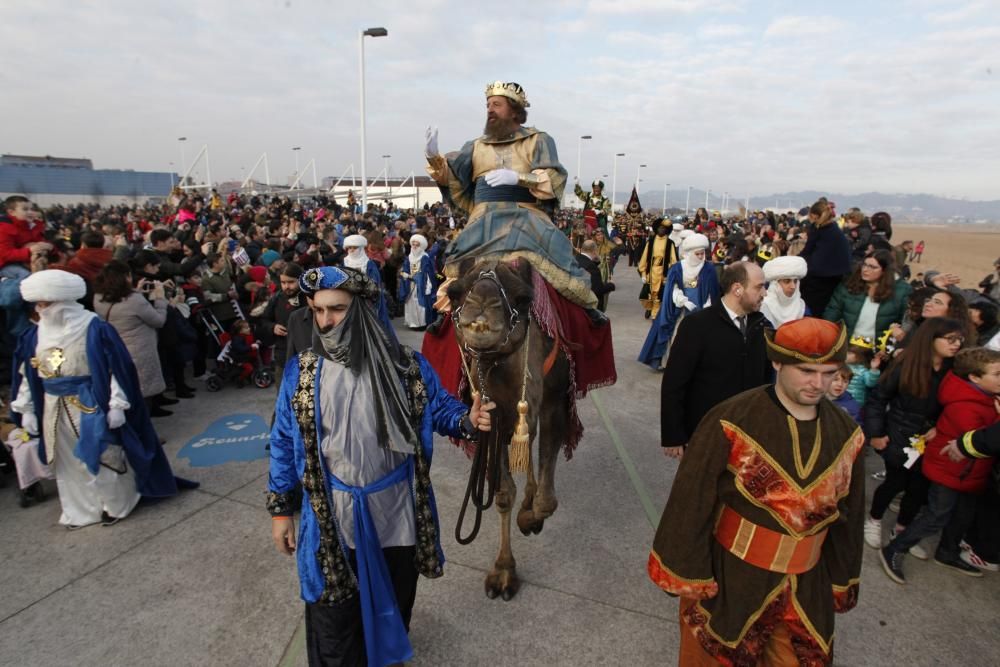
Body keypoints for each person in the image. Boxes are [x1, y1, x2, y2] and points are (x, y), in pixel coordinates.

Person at [267, 266, 495, 667]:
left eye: (336, 309)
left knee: (394, 601)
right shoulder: (301, 372)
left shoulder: (406, 366)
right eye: (318, 311)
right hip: (332, 518)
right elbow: (284, 443)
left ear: (361, 308)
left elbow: (440, 408)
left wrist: (468, 420)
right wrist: (282, 511)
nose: (325, 321)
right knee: (334, 621)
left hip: (394, 514)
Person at [649, 317, 865, 666]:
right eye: (807, 371)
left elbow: (850, 517)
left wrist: (841, 579)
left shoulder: (848, 433)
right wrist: (686, 570)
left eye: (830, 373)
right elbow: (692, 499)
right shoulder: (732, 419)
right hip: (732, 579)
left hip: (806, 589)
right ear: (777, 362)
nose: (819, 383)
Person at [9, 270, 192, 529]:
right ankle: (79, 511)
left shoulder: (94, 330)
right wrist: (26, 408)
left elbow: (116, 369)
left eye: (45, 303)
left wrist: (117, 403)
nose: (41, 310)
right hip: (53, 407)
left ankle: (115, 503)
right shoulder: (34, 337)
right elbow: (28, 374)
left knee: (105, 457)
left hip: (90, 403)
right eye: (38, 304)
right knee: (68, 463)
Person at [424, 81, 599, 315]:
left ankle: (581, 315)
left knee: (558, 260)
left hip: (525, 215)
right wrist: (434, 158)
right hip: (483, 220)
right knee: (458, 270)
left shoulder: (538, 140)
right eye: (487, 105)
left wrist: (519, 178)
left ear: (515, 110)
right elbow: (454, 179)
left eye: (496, 104)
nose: (489, 109)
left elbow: (554, 177)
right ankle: (447, 321)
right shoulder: (475, 146)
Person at [879, 347, 1000, 583]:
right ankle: (895, 548)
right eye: (996, 374)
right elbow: (985, 439)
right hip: (952, 471)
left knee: (962, 516)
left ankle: (947, 552)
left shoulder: (985, 397)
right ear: (974, 378)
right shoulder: (966, 405)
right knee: (937, 515)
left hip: (970, 474)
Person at [864, 317, 965, 553]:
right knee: (895, 482)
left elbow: (955, 405)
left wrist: (940, 426)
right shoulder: (905, 364)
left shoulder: (955, 370)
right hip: (899, 434)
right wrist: (876, 433)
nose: (956, 344)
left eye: (959, 339)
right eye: (950, 339)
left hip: (931, 440)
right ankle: (874, 519)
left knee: (919, 488)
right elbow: (878, 400)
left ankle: (901, 529)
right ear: (931, 339)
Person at [660, 262, 770, 458]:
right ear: (737, 289)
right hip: (705, 433)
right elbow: (674, 383)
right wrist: (673, 435)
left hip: (748, 435)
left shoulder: (763, 327)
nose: (765, 293)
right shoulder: (697, 325)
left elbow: (767, 380)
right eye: (759, 286)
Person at [92, 261, 174, 417]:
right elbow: (158, 320)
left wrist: (136, 291)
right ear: (126, 277)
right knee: (143, 391)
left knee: (130, 389)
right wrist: (160, 299)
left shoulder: (99, 297)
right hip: (140, 349)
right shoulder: (134, 300)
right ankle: (146, 433)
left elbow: (121, 306)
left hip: (118, 347)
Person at [638, 233, 719, 370]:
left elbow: (713, 291)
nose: (700, 257)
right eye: (697, 254)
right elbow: (672, 289)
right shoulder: (677, 268)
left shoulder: (708, 269)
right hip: (679, 308)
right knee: (676, 335)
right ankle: (673, 364)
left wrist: (708, 305)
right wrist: (682, 300)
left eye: (702, 254)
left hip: (700, 309)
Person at [823, 249, 911, 341]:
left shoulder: (902, 291)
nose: (865, 270)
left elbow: (905, 321)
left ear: (885, 270)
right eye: (864, 265)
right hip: (846, 343)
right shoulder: (849, 284)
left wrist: (895, 332)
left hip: (878, 348)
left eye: (873, 267)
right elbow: (832, 311)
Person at [798, 198, 851, 316]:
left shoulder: (821, 230)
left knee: (811, 309)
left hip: (822, 278)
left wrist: (795, 261)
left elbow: (808, 252)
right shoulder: (832, 229)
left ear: (814, 216)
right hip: (833, 276)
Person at [257, 262, 304, 372]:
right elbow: (264, 320)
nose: (287, 286)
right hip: (283, 355)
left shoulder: (309, 299)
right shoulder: (277, 298)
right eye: (283, 282)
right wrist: (273, 327)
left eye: (291, 282)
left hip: (305, 354)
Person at [638, 219, 678, 319]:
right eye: (660, 228)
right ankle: (650, 308)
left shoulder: (670, 243)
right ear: (656, 229)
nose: (661, 230)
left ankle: (655, 313)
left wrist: (670, 274)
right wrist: (643, 273)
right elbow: (644, 257)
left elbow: (674, 261)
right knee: (648, 293)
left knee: (660, 293)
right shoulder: (650, 242)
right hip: (651, 271)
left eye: (664, 228)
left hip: (663, 272)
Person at [398, 234, 437, 330]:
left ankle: (421, 324)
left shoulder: (425, 258)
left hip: (421, 285)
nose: (414, 247)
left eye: (417, 245)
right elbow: (405, 270)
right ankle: (412, 323)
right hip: (410, 285)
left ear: (421, 246)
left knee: (420, 304)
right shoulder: (409, 257)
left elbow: (428, 273)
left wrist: (424, 283)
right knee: (410, 304)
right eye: (413, 244)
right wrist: (404, 274)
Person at [760, 255, 808, 328]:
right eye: (787, 281)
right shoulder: (763, 305)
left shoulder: (802, 307)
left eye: (795, 281)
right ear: (775, 284)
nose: (793, 286)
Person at [575, 240, 615, 312]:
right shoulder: (592, 267)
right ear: (594, 250)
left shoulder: (576, 259)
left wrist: (596, 262)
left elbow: (585, 265)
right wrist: (611, 285)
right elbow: (597, 290)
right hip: (590, 307)